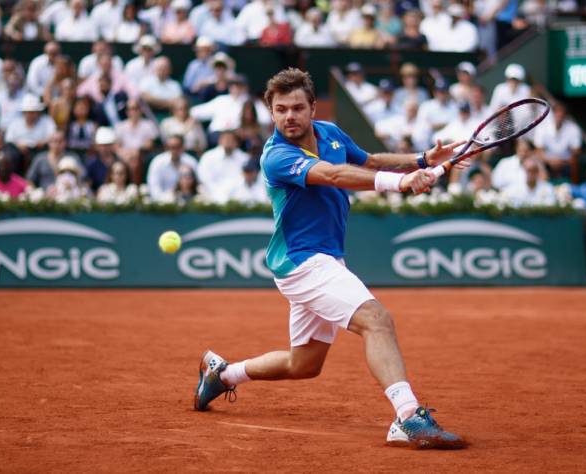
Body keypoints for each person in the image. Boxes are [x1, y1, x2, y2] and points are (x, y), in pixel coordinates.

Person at [194, 68, 467, 449]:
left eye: (297, 108)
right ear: (270, 113)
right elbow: (337, 175)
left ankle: (222, 375)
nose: (289, 116)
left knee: (303, 364)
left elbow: (368, 160)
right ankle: (407, 418)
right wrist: (401, 183)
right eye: (280, 109)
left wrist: (420, 159)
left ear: (312, 108)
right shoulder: (277, 156)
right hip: (301, 262)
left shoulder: (330, 133)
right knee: (377, 321)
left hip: (325, 259)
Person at [146, 134, 200, 201]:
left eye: (177, 147)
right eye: (170, 147)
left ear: (183, 147)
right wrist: (167, 199)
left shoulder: (191, 162)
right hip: (163, 205)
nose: (173, 150)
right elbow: (154, 189)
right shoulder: (157, 163)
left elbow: (197, 185)